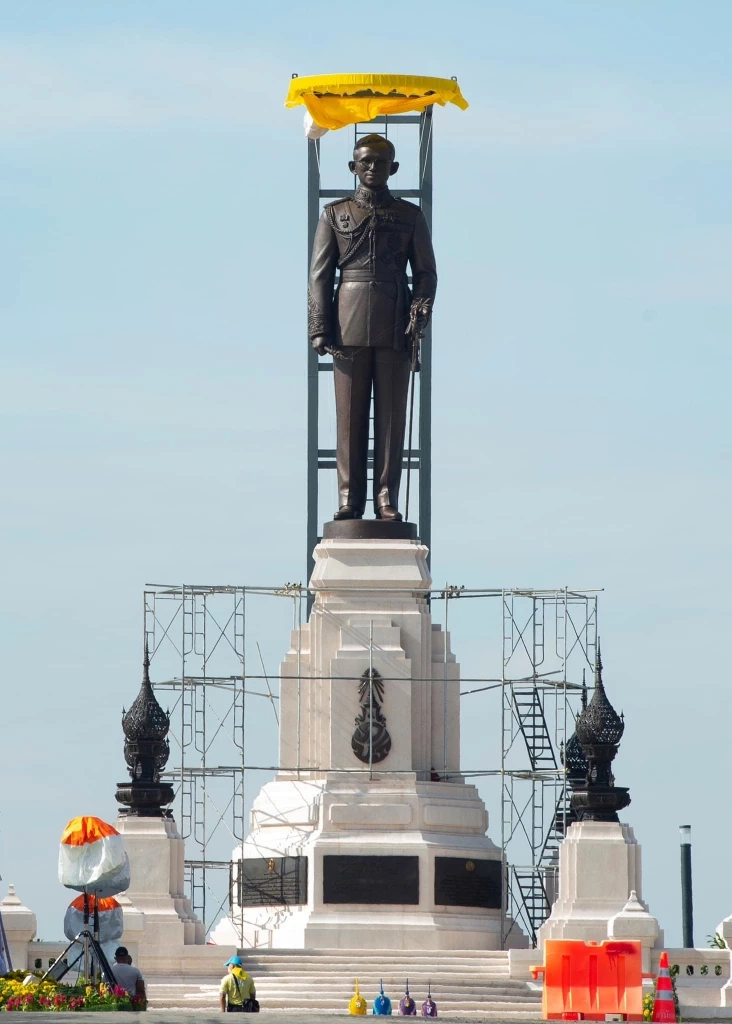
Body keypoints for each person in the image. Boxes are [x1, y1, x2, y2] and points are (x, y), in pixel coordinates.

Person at [308, 133, 437, 522]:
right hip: (346, 321)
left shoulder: (410, 216)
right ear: (353, 166)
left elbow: (426, 273)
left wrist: (421, 307)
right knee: (349, 417)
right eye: (365, 161)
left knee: (392, 419)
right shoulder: (335, 214)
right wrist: (319, 327)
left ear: (393, 168)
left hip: (396, 322)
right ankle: (349, 498)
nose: (372, 168)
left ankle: (385, 498)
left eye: (381, 162)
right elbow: (319, 275)